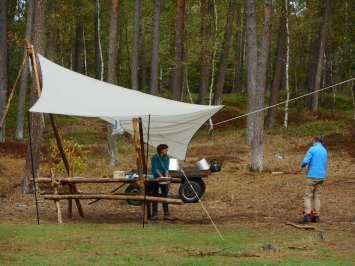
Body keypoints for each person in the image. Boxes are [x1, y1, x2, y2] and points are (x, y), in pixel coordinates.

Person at [301, 136, 328, 223]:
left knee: (307, 196)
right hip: (321, 176)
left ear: (315, 141)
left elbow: (305, 161)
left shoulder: (312, 149)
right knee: (317, 196)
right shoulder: (324, 150)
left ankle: (307, 215)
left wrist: (302, 165)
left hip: (312, 175)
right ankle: (316, 216)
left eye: (313, 141)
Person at [149, 144, 173, 220]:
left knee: (165, 195)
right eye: (166, 149)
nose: (167, 151)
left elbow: (166, 169)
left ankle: (166, 214)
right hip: (155, 177)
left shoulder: (167, 157)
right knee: (155, 195)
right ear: (161, 150)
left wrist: (166, 179)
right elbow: (156, 169)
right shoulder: (155, 157)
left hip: (163, 176)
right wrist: (162, 177)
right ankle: (154, 214)